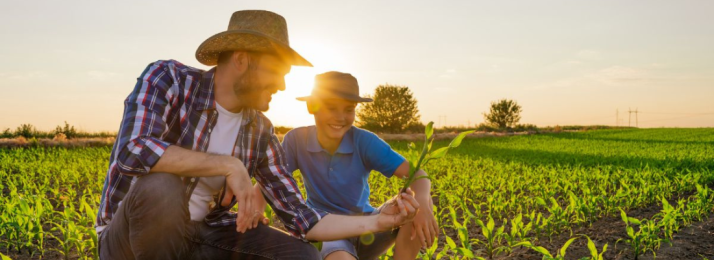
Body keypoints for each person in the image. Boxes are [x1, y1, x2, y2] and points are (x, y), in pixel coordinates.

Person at [95, 10, 419, 260]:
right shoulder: (169, 79)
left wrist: (379, 222)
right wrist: (227, 165)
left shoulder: (260, 130)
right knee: (161, 186)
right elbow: (133, 151)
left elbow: (302, 217)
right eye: (277, 73)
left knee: (303, 254)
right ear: (242, 59)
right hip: (130, 240)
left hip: (203, 236)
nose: (281, 86)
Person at [280, 72, 438, 260]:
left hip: (370, 228)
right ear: (311, 106)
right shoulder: (296, 140)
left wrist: (423, 207)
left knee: (413, 203)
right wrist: (256, 211)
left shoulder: (363, 141)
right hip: (328, 231)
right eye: (331, 108)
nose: (341, 117)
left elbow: (417, 173)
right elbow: (271, 180)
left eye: (349, 109)